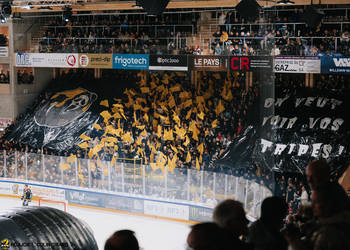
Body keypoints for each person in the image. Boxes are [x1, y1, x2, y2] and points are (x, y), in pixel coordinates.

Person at [285, 182, 350, 250]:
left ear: (329, 203)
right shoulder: (333, 223)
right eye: (312, 201)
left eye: (316, 202)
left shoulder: (328, 235)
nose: (312, 206)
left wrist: (293, 240)